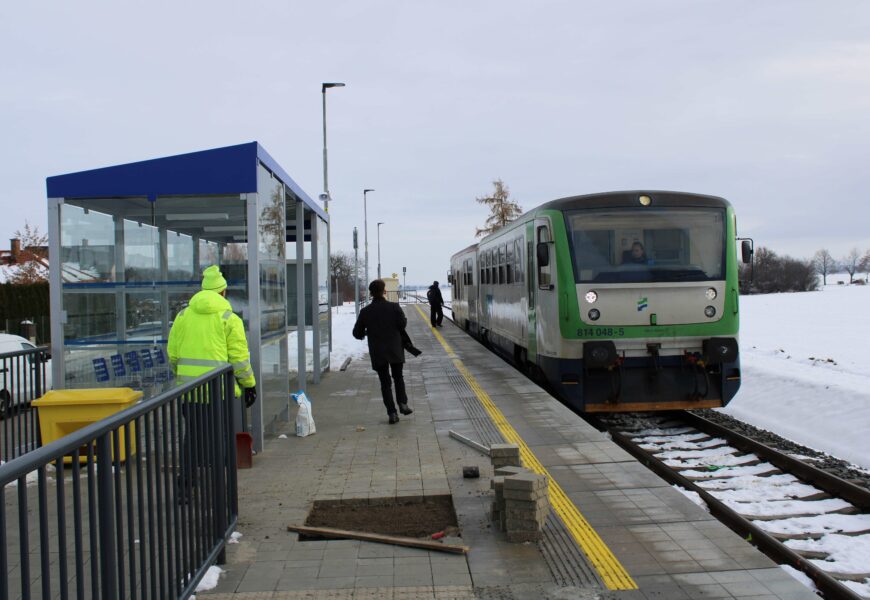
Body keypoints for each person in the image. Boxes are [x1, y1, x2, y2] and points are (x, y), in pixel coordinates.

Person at [168, 265, 256, 500]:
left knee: (193, 437)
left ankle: (185, 486)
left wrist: (183, 376)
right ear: (223, 292)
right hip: (220, 391)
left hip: (189, 391)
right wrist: (249, 385)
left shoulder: (183, 316)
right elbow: (239, 359)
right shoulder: (229, 318)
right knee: (220, 437)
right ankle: (219, 490)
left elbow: (173, 355)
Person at [353, 279, 414, 424]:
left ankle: (392, 413)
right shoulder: (394, 307)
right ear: (384, 291)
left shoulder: (365, 311)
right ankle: (403, 404)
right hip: (395, 349)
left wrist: (366, 332)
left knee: (385, 383)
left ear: (371, 293)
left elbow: (357, 333)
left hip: (378, 351)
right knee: (398, 377)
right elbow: (402, 324)